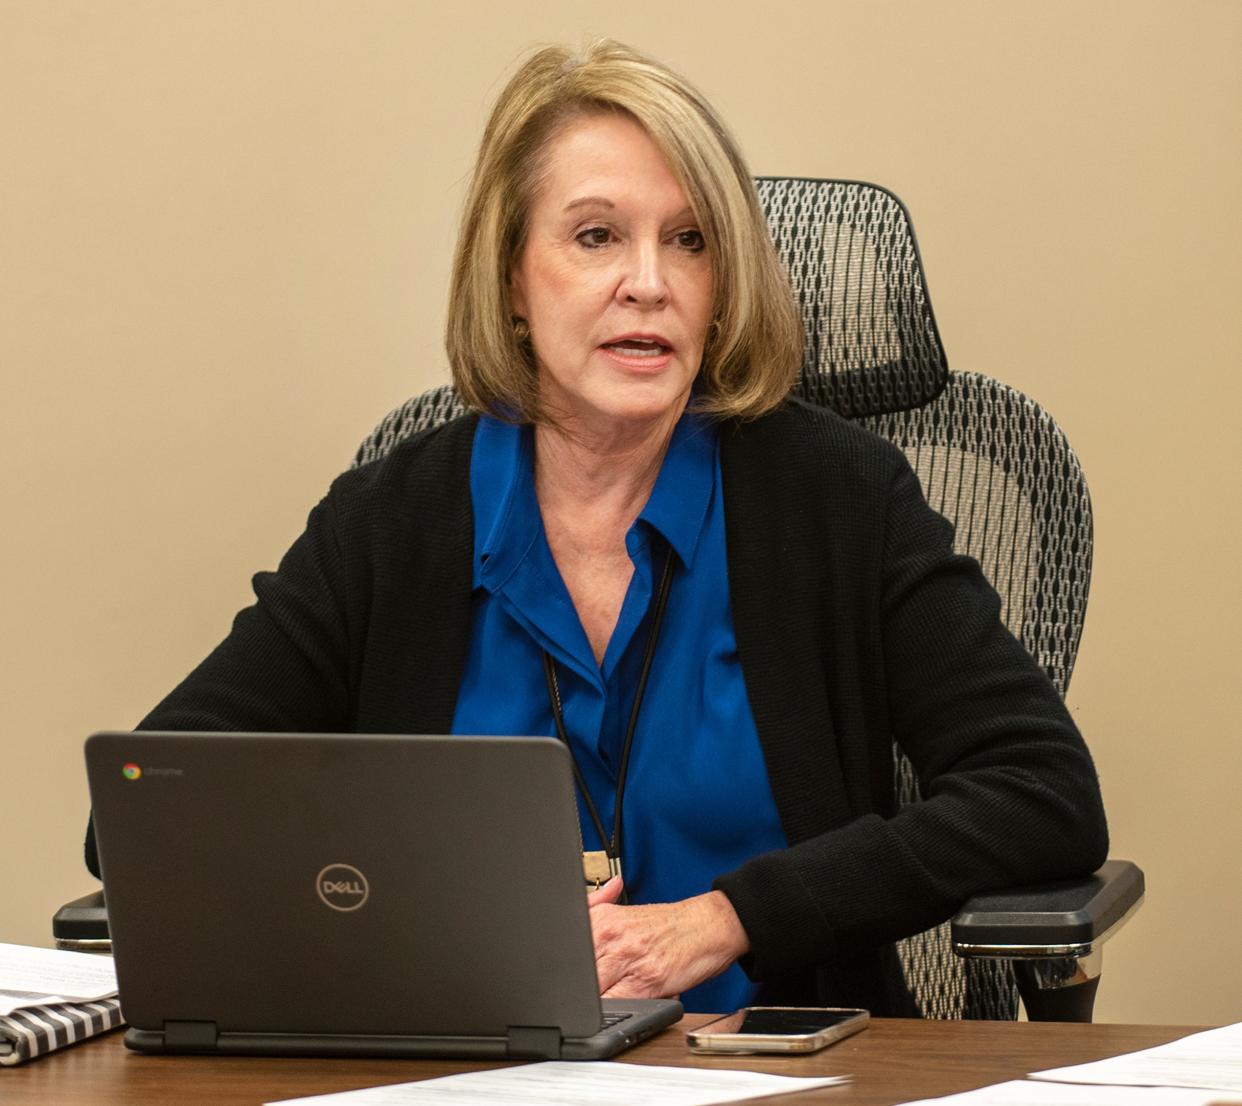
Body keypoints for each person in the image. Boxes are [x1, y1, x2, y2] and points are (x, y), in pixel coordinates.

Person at [84, 39, 1108, 1016]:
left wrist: (731, 916)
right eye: (595, 235)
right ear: (511, 283)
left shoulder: (837, 500)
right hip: (465, 1065)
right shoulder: (394, 523)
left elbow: (1044, 790)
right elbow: (151, 803)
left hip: (771, 1065)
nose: (651, 282)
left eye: (690, 240)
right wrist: (425, 928)